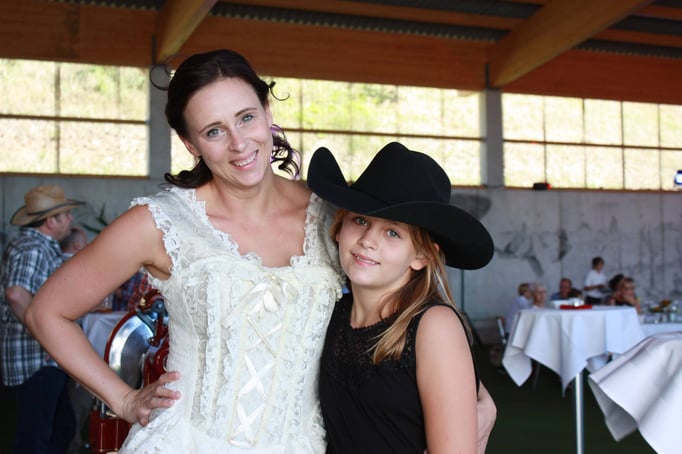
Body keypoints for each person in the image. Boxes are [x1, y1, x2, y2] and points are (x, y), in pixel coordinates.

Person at [24, 49, 496, 453]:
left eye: (246, 118)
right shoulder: (159, 223)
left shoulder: (332, 215)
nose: (238, 143)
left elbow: (399, 297)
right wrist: (124, 399)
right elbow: (47, 312)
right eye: (213, 131)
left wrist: (473, 391)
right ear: (190, 143)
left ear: (268, 113)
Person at [309, 142, 494, 453]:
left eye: (392, 233)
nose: (368, 241)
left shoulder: (434, 325)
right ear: (339, 228)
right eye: (360, 220)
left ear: (422, 256)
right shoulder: (331, 313)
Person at [0, 184, 82, 453]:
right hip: (35, 361)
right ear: (50, 221)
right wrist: (47, 335)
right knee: (36, 438)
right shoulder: (34, 248)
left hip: (39, 360)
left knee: (60, 428)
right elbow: (15, 294)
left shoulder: (36, 246)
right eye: (65, 214)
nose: (70, 219)